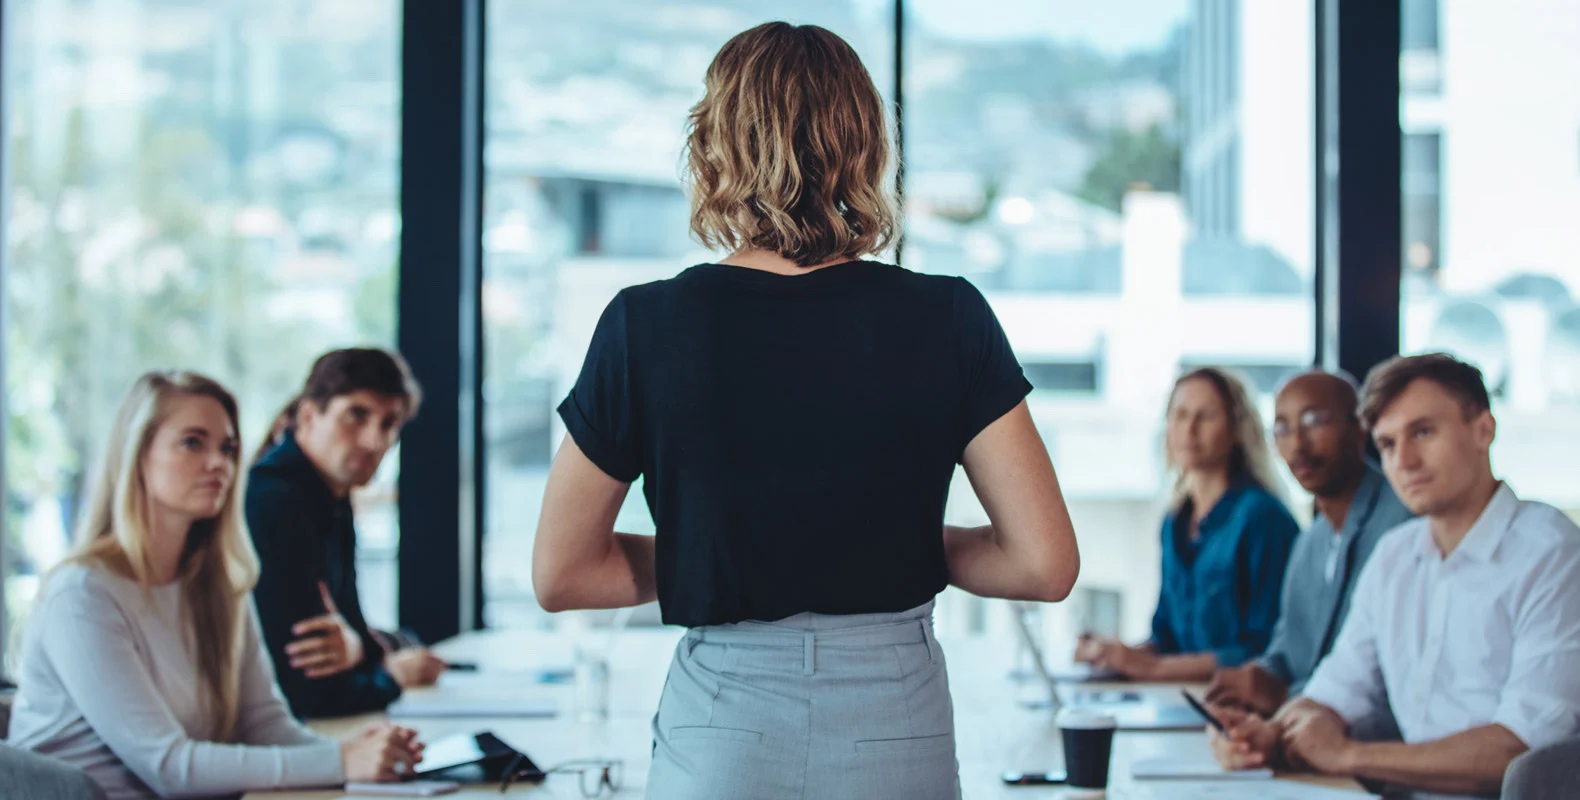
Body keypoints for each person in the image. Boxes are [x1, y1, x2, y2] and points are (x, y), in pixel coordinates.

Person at [530, 22, 1080, 800]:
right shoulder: (948, 315)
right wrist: (888, 542)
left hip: (724, 717)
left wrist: (723, 550)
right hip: (896, 709)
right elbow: (1044, 563)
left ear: (714, 145)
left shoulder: (644, 324)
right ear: (865, 145)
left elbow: (563, 572)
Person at [5, 371, 421, 799]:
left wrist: (362, 755)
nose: (218, 463)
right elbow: (169, 766)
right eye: (192, 442)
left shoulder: (219, 584)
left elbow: (266, 725)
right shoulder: (82, 595)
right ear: (138, 454)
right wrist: (341, 761)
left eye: (228, 448)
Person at [1210, 354, 1580, 798]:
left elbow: (1522, 750)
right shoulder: (1395, 555)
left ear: (1484, 429)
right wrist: (1270, 734)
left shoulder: (1551, 553)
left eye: (1423, 432)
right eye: (1387, 444)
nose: (1404, 460)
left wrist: (1347, 755)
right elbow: (1335, 689)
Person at [247, 348, 446, 720]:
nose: (375, 441)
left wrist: (363, 648)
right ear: (308, 415)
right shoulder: (274, 502)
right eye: (357, 415)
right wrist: (391, 674)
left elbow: (354, 631)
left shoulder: (331, 498)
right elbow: (309, 690)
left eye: (389, 424)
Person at [1206, 370, 1413, 717]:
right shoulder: (1310, 541)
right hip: (1304, 728)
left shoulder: (1403, 524)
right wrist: (1258, 677)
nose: (1298, 445)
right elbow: (1284, 653)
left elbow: (1381, 677)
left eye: (1314, 422)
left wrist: (1283, 696)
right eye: (1283, 429)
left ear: (1361, 426)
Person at [1074, 367, 1299, 682]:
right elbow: (1165, 638)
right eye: (1179, 415)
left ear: (1237, 429)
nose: (1188, 429)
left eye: (1204, 416)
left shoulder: (1264, 518)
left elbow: (1267, 650)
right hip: (1179, 698)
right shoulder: (1174, 522)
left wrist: (1153, 669)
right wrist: (1115, 655)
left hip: (1238, 705)